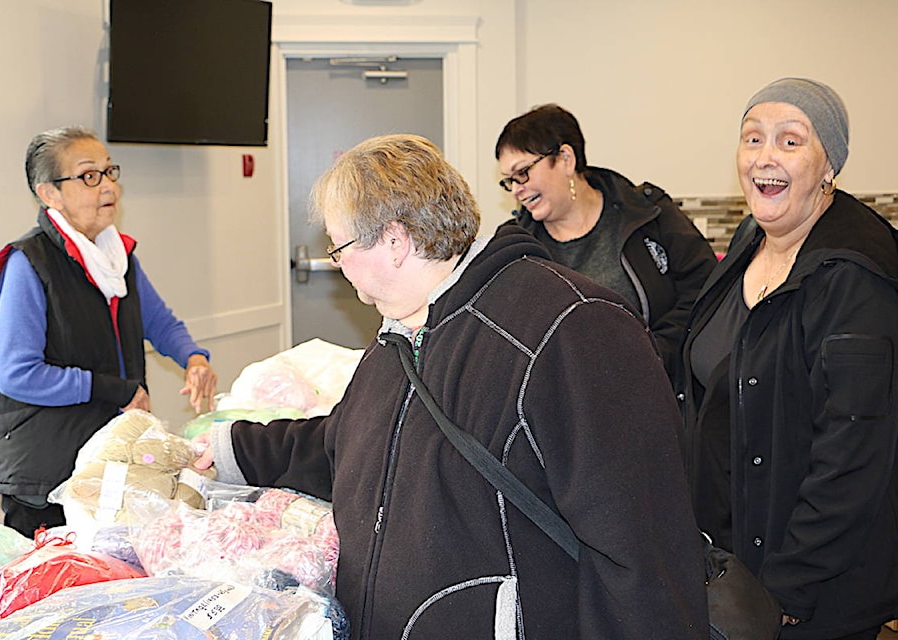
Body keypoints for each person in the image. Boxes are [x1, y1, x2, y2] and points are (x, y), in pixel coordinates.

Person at [192, 133, 708, 638]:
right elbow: (346, 445)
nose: (338, 265)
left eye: (339, 247)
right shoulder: (400, 336)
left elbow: (644, 552)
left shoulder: (574, 326)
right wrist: (233, 447)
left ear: (394, 241)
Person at [679, 78, 898, 639]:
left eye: (790, 141)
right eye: (752, 139)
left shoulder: (852, 276)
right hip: (734, 568)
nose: (764, 156)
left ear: (830, 165)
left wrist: (791, 585)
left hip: (809, 592)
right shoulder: (751, 242)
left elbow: (852, 454)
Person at [0, 125, 218, 538]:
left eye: (109, 172)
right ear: (49, 193)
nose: (108, 187)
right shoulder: (28, 264)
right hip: (46, 475)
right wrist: (115, 389)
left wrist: (194, 358)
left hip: (104, 462)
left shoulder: (115, 256)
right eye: (90, 176)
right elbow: (16, 373)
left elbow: (158, 321)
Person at [495, 104, 717, 379]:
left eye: (522, 173)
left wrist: (653, 354)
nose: (517, 189)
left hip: (661, 389)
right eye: (509, 181)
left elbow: (705, 290)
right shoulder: (516, 248)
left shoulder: (648, 212)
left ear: (565, 158)